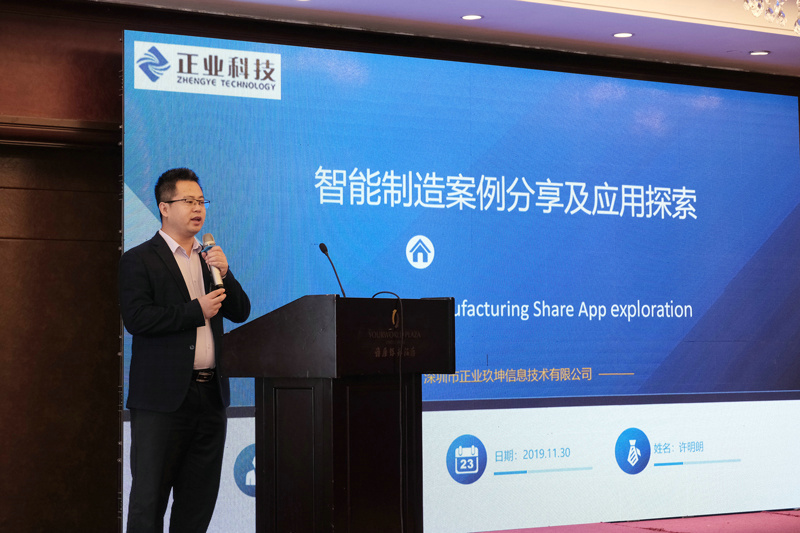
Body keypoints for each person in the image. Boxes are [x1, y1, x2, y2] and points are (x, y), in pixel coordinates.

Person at [119, 168, 251, 532]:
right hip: (161, 402)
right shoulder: (140, 259)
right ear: (164, 207)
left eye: (201, 201)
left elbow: (240, 311)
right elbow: (137, 319)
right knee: (148, 503)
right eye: (188, 201)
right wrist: (196, 311)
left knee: (197, 504)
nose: (198, 208)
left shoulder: (209, 259)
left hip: (210, 397)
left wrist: (226, 271)